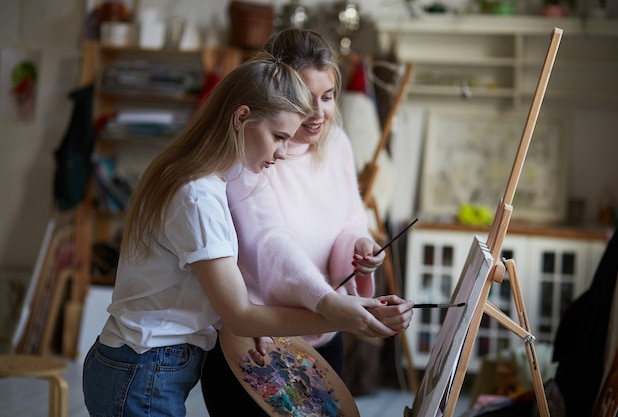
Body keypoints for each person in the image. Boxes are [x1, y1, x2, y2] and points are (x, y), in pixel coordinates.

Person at [82, 52, 408, 417]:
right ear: (241, 118)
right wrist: (340, 316)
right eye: (278, 137)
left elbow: (219, 294)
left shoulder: (196, 176)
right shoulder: (197, 196)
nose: (283, 153)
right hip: (143, 369)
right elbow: (239, 313)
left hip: (143, 363)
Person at [201, 29, 414, 416]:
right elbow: (270, 244)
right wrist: (332, 303)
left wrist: (359, 247)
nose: (318, 113)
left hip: (322, 332)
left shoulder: (337, 145)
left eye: (328, 97)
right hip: (258, 339)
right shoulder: (251, 149)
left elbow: (350, 219)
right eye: (304, 98)